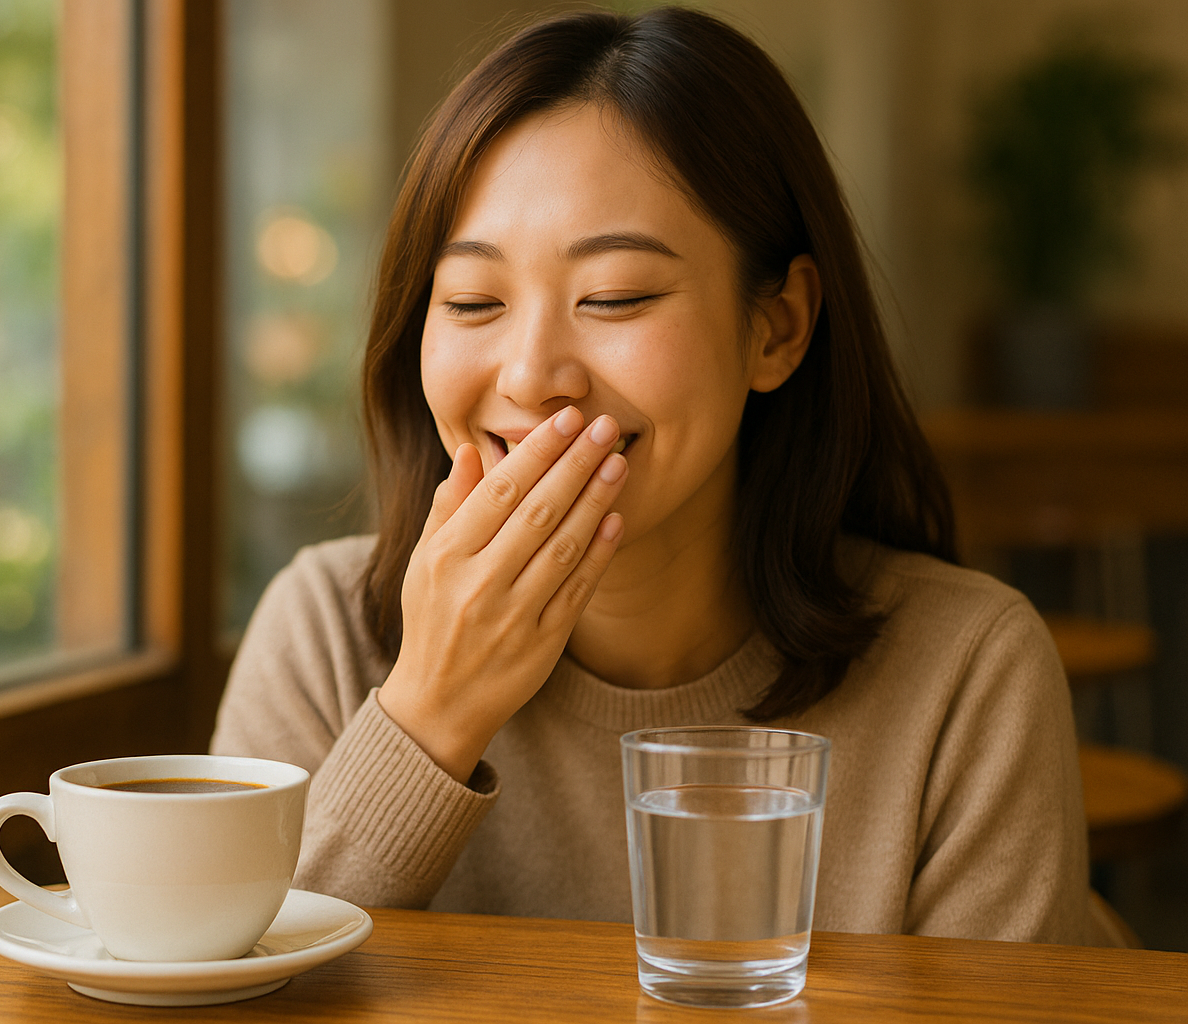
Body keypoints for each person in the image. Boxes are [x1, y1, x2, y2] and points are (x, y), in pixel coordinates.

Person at [211, 6, 1096, 945]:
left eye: (615, 297)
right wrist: (429, 714)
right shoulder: (323, 635)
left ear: (778, 327)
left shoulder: (969, 674)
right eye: (471, 301)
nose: (529, 377)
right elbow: (240, 989)